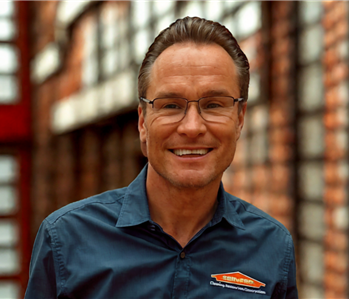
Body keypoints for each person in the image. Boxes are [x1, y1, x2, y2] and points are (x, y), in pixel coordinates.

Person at [25, 17, 298, 298]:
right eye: (170, 105)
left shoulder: (272, 248)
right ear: (143, 122)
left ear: (239, 119)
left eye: (214, 104)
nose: (192, 127)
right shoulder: (65, 240)